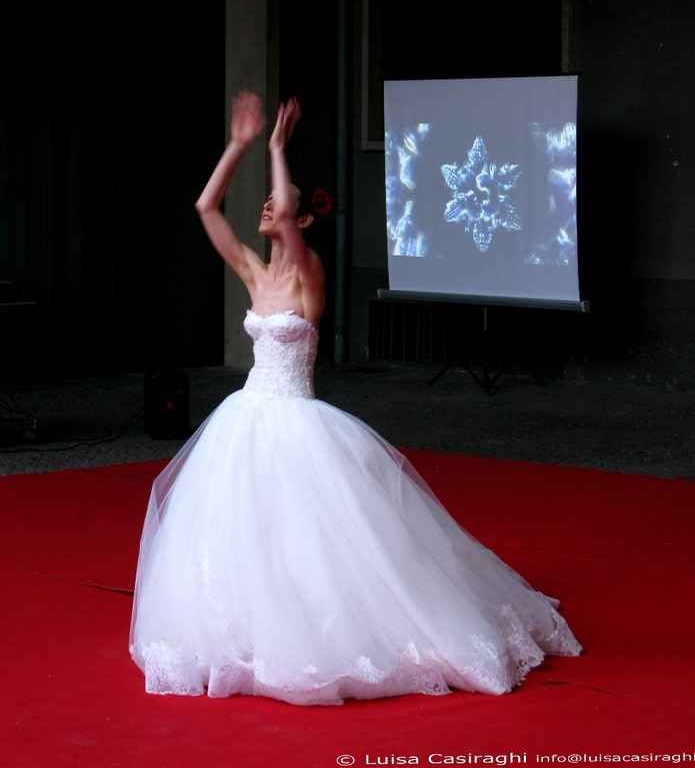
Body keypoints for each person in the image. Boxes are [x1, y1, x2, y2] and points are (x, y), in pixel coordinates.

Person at [128, 91, 583, 705]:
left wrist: (278, 150)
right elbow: (206, 207)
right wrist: (238, 146)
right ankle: (253, 628)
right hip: (246, 417)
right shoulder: (254, 275)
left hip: (298, 419)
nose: (268, 208)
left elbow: (287, 215)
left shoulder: (309, 278)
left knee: (321, 539)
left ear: (303, 221)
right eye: (265, 202)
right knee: (248, 534)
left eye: (278, 204)